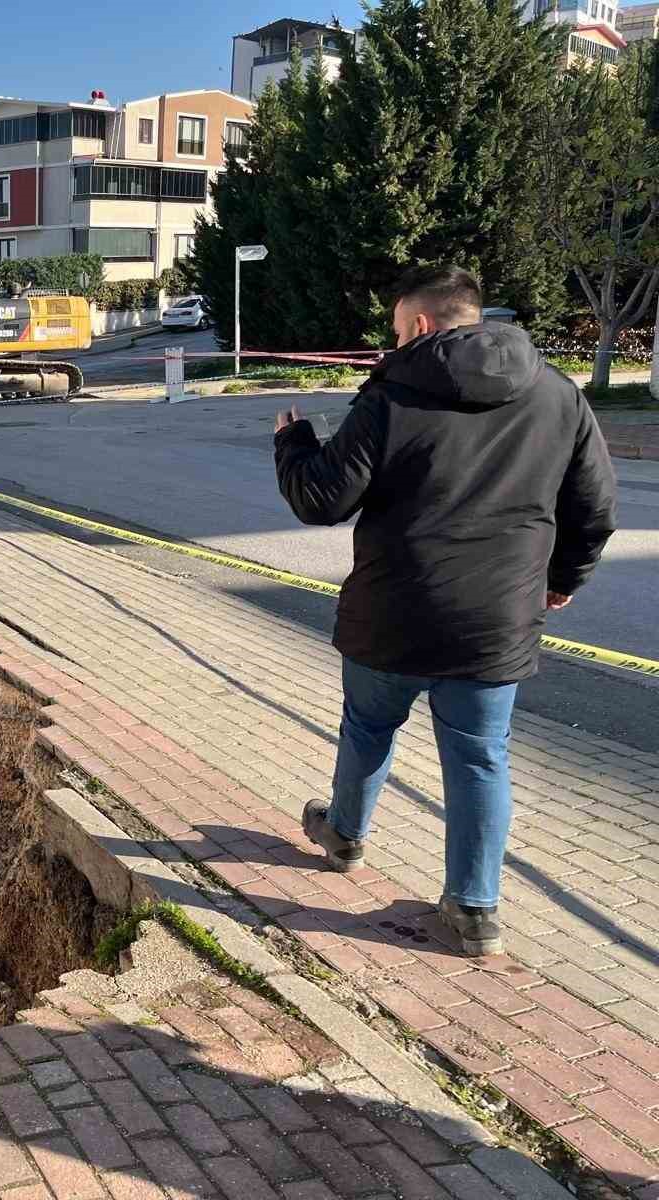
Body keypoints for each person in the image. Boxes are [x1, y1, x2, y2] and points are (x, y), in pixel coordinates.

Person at [273, 265, 617, 957]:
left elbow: (322, 500)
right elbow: (595, 506)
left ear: (423, 325)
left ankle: (344, 836)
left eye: (397, 331)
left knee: (369, 727)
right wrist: (563, 577)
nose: (393, 344)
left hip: (393, 611)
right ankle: (474, 910)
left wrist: (294, 442)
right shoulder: (557, 394)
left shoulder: (392, 393)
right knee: (481, 758)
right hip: (496, 619)